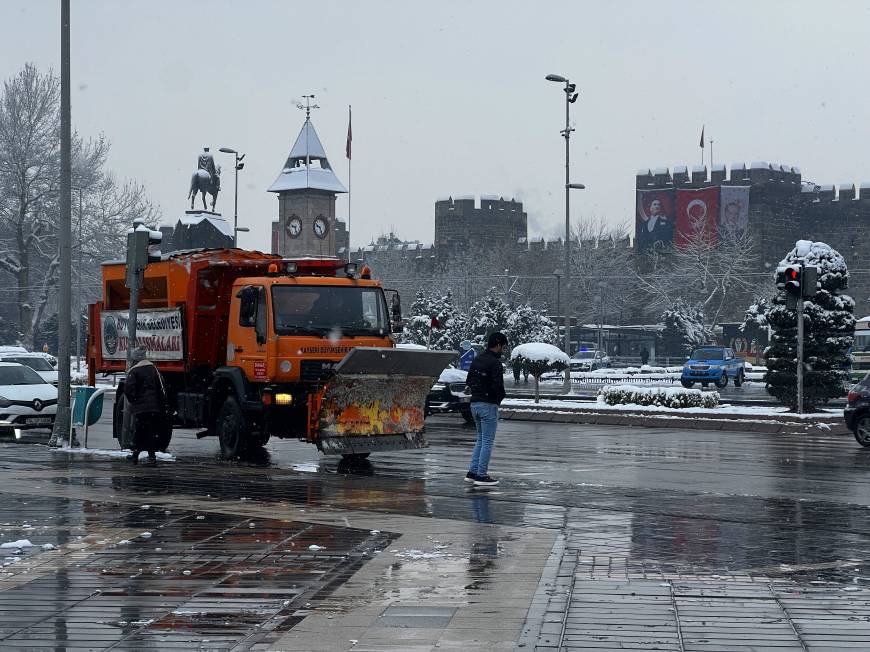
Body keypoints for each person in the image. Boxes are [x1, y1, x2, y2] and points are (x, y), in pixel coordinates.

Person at [465, 332, 508, 486]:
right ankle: (481, 475)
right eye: (503, 347)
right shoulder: (495, 363)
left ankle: (472, 472)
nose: (503, 350)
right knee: (487, 441)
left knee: (480, 440)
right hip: (488, 404)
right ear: (498, 345)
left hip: (474, 404)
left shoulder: (477, 360)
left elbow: (469, 381)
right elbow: (498, 387)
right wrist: (497, 399)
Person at [123, 347, 169, 464]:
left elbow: (128, 389)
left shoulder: (134, 371)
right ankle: (138, 455)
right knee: (147, 430)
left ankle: (147, 457)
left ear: (136, 359)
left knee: (143, 431)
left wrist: (133, 400)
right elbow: (161, 386)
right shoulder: (153, 369)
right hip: (154, 406)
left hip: (140, 408)